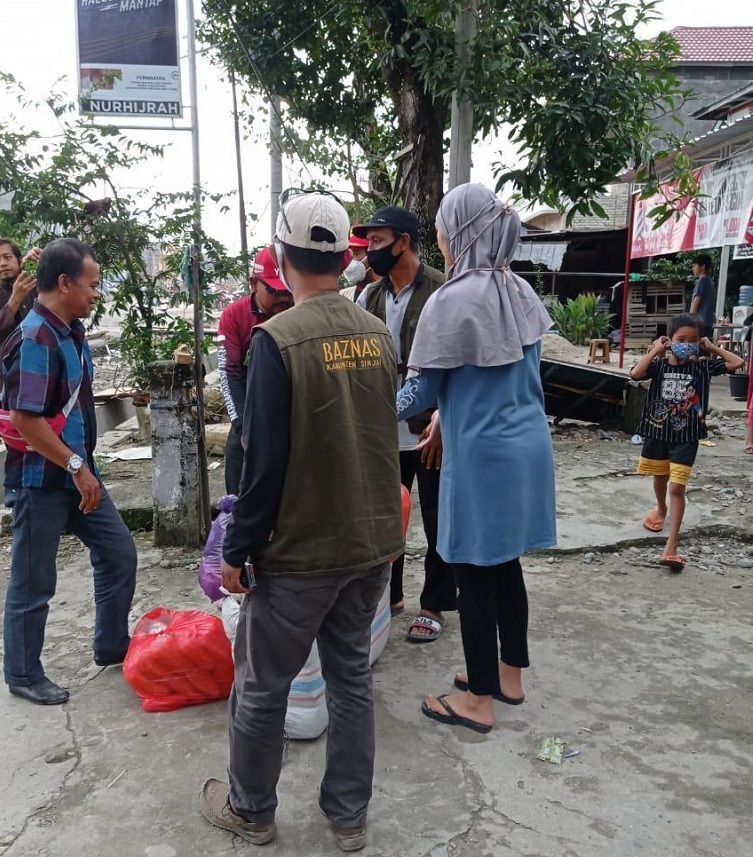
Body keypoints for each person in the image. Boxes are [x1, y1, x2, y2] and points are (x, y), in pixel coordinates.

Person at [200, 192, 403, 851]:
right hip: (370, 540)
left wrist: (237, 549)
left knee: (262, 686)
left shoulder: (276, 339)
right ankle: (348, 816)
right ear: (344, 256)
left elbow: (262, 463)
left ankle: (250, 810)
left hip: (301, 551)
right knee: (350, 679)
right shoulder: (377, 332)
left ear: (281, 256)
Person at [395, 183, 556, 733]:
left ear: (460, 231)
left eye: (443, 225)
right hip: (527, 447)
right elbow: (503, 374)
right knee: (504, 563)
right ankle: (508, 676)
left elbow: (420, 392)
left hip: (483, 456)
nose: (439, 234)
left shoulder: (451, 299)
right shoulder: (519, 291)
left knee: (471, 571)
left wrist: (368, 406)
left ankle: (477, 702)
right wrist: (450, 409)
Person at [0, 238, 137, 705]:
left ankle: (111, 644)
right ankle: (22, 674)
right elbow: (25, 419)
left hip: (78, 473)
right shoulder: (35, 338)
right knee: (34, 580)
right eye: (92, 285)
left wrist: (82, 467)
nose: (96, 293)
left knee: (118, 553)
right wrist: (76, 466)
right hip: (43, 480)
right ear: (64, 283)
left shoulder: (70, 332)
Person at [353, 205, 455, 642]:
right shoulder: (368, 298)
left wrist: (445, 419)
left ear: (404, 242)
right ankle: (389, 597)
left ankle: (433, 604)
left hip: (429, 429)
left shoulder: (442, 291)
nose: (370, 250)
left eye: (378, 241)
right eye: (369, 242)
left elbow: (457, 364)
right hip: (382, 431)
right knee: (384, 518)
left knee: (437, 518)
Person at [633, 313, 743, 570]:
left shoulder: (703, 367)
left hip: (687, 437)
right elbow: (636, 373)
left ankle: (671, 547)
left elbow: (737, 363)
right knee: (660, 478)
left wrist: (711, 347)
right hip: (658, 432)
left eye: (693, 340)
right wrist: (656, 350)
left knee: (677, 488)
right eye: (681, 339)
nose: (687, 344)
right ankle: (661, 510)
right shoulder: (659, 366)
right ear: (669, 340)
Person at [217, 246, 293, 494]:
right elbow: (229, 373)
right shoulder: (234, 316)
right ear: (253, 284)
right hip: (250, 412)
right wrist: (242, 427)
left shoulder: (298, 312)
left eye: (288, 291)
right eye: (274, 291)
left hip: (292, 416)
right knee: (239, 493)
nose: (283, 298)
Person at [0, 238, 42, 388]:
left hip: (43, 364)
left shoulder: (37, 285)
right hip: (10, 371)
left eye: (7, 257)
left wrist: (44, 258)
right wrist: (16, 298)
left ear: (20, 261)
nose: (2, 263)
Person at [339, 231, 374, 301]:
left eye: (356, 254)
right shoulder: (344, 296)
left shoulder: (385, 294)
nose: (351, 261)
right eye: (349, 255)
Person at [690, 254, 717, 341]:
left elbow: (696, 302)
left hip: (699, 322)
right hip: (708, 322)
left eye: (694, 266)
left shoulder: (702, 281)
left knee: (697, 345)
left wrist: (689, 320)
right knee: (705, 345)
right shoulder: (711, 282)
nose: (693, 269)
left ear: (702, 266)